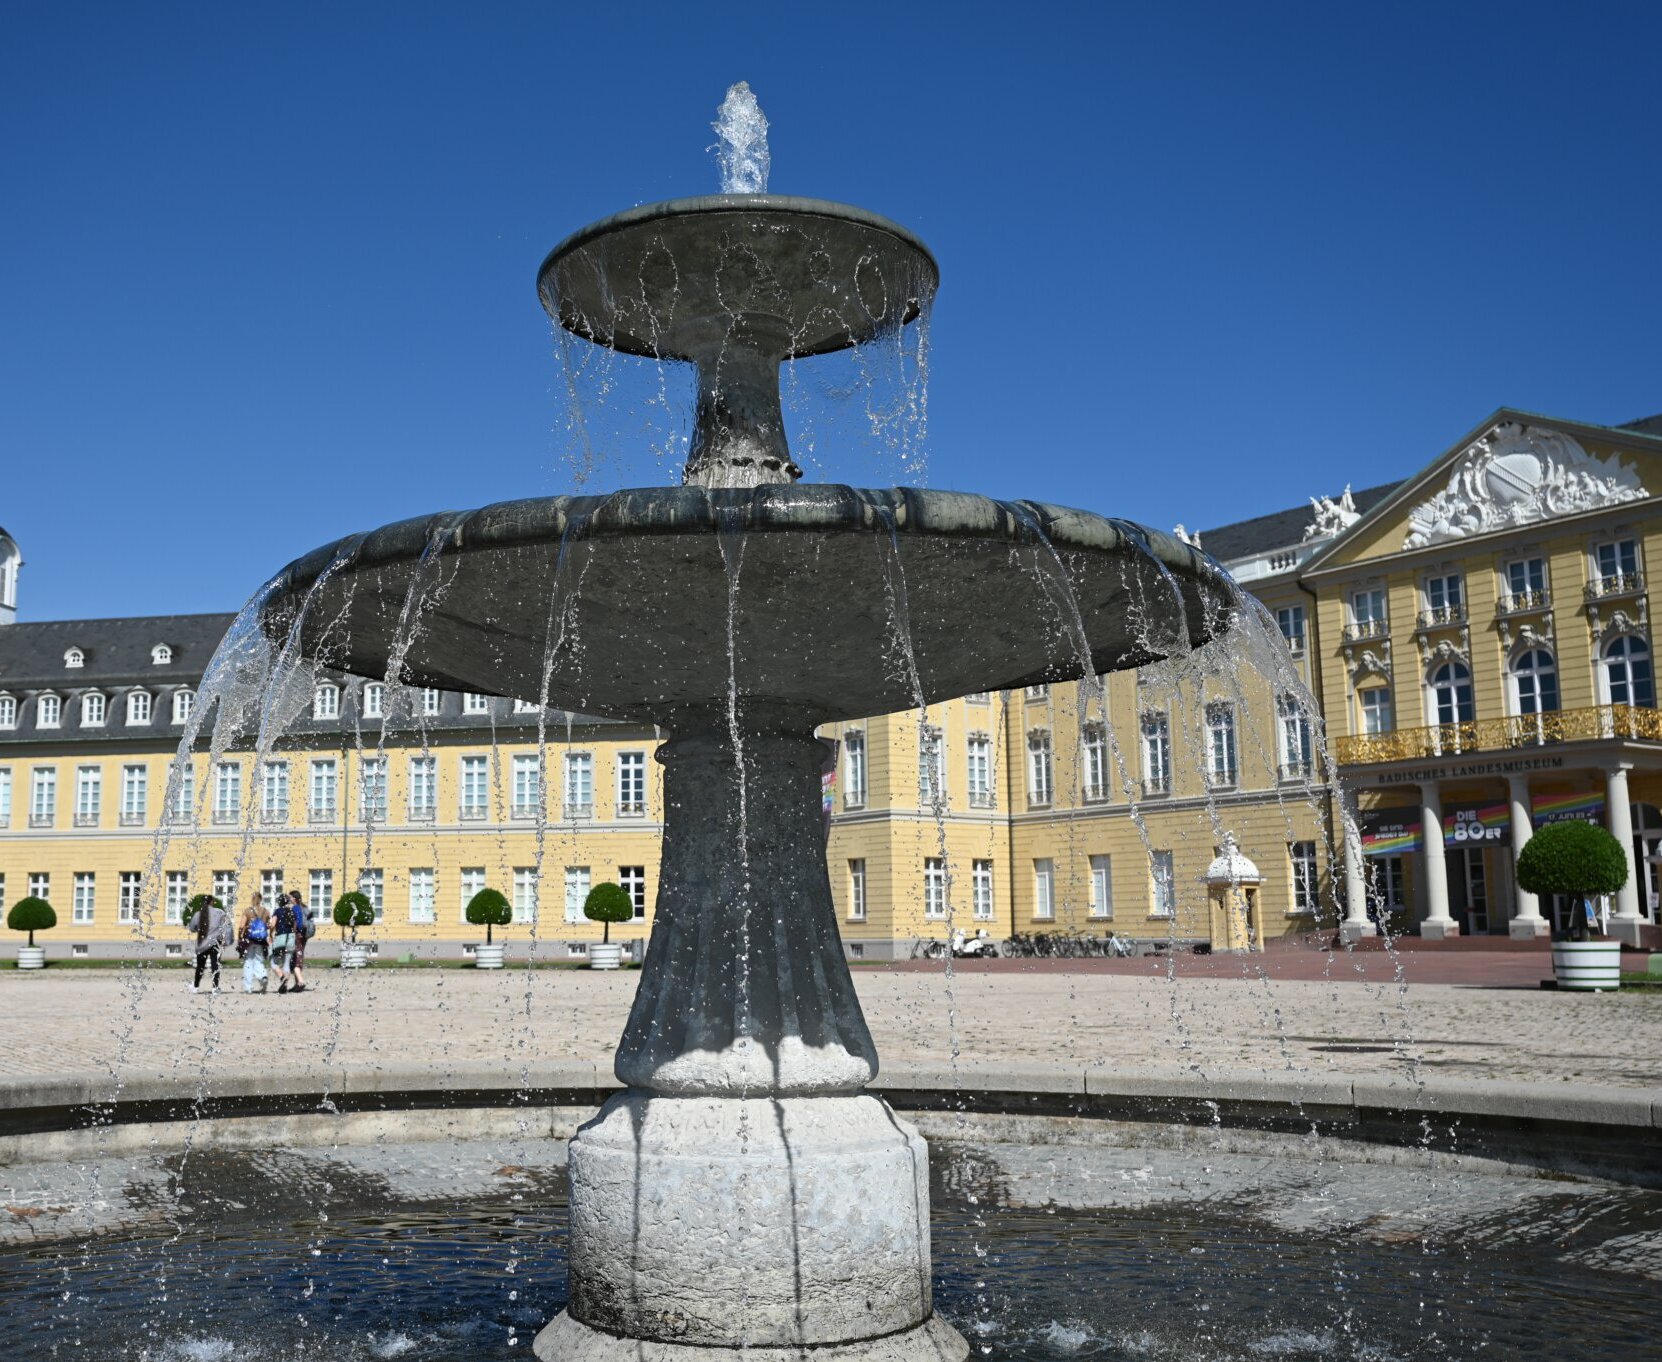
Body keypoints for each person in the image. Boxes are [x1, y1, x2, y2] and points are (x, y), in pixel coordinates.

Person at [189, 895, 232, 993]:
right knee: (215, 966)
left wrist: (199, 929)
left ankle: (195, 987)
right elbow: (226, 926)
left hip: (202, 944)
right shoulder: (220, 912)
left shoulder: (198, 914)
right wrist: (226, 940)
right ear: (212, 902)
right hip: (215, 943)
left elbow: (192, 928)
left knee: (200, 967)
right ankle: (215, 988)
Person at [237, 892, 271, 994]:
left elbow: (241, 926)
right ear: (261, 899)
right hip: (261, 941)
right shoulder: (266, 911)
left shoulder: (248, 911)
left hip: (249, 940)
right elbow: (269, 925)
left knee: (248, 962)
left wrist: (240, 937)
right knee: (259, 960)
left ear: (252, 899)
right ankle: (262, 976)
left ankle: (248, 987)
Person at [270, 892, 297, 994]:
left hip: (280, 939)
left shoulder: (277, 911)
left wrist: (270, 934)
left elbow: (273, 925)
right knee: (287, 963)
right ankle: (285, 985)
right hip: (290, 939)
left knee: (273, 962)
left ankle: (281, 976)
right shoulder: (292, 911)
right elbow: (294, 927)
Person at [287, 890, 311, 994]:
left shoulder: (295, 908)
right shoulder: (305, 908)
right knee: (298, 956)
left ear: (295, 899)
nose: (289, 899)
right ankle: (297, 984)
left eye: (291, 897)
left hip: (298, 935)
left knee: (296, 957)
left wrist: (294, 932)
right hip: (305, 935)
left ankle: (301, 982)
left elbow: (297, 923)